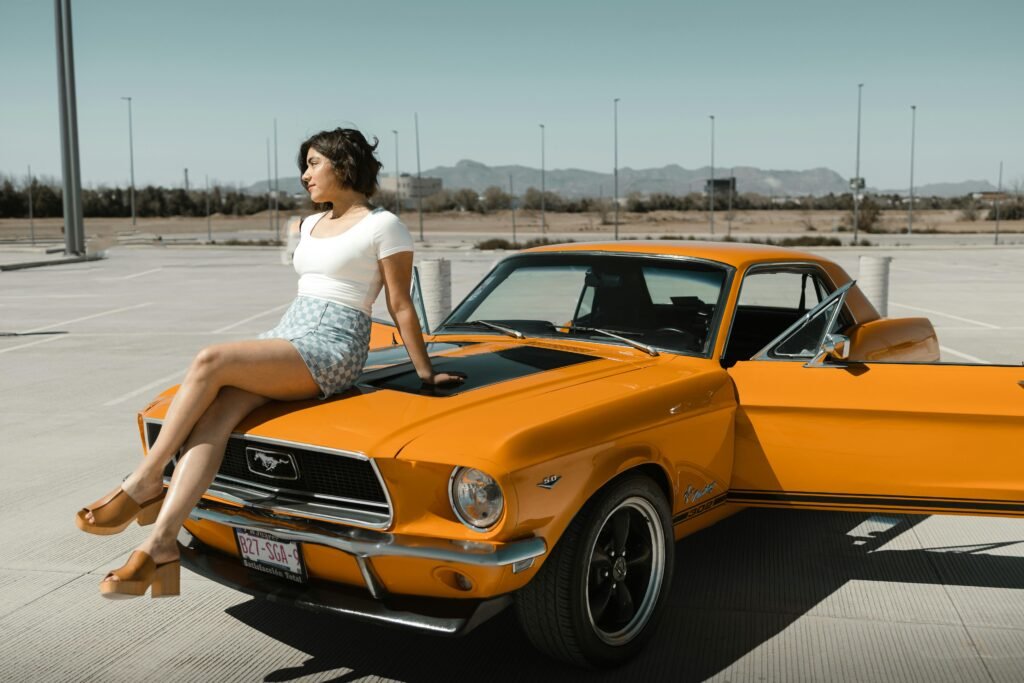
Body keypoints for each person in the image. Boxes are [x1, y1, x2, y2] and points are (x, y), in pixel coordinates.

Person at [76, 127, 463, 599]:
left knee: (211, 359)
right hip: (289, 334)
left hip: (333, 345)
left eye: (314, 163)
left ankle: (145, 479)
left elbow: (400, 305)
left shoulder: (384, 225)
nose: (305, 175)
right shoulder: (307, 225)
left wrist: (425, 372)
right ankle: (160, 545)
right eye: (305, 165)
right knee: (218, 414)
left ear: (344, 165)